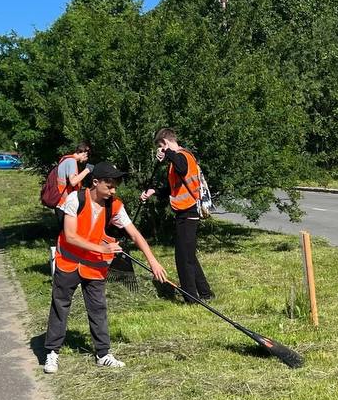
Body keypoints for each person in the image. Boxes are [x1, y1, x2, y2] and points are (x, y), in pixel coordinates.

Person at [44, 162, 167, 374]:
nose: (113, 190)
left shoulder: (115, 205)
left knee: (98, 309)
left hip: (95, 267)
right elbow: (71, 236)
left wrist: (153, 261)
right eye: (109, 185)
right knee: (60, 306)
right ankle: (52, 353)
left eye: (115, 186)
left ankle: (103, 354)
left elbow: (135, 234)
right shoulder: (76, 199)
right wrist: (105, 247)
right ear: (95, 182)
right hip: (68, 263)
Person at [140, 128, 213, 300]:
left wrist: (167, 153)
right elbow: (171, 189)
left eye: (160, 146)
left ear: (165, 143)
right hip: (183, 212)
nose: (160, 150)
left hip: (189, 211)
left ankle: (191, 297)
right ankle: (205, 293)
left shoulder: (183, 156)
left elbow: (181, 166)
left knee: (183, 258)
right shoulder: (175, 161)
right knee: (188, 255)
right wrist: (153, 191)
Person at [53, 142, 92, 230]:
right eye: (86, 156)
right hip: (64, 203)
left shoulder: (65, 159)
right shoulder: (71, 161)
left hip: (60, 202)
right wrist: (87, 170)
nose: (86, 159)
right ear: (84, 152)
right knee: (68, 233)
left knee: (64, 232)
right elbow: (73, 182)